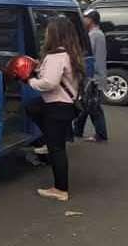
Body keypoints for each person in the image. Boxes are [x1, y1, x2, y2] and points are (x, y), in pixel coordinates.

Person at [26, 17, 85, 202]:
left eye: (48, 31)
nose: (45, 34)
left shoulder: (55, 57)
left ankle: (60, 189)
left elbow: (49, 83)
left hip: (57, 107)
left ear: (55, 35)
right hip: (65, 106)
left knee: (57, 150)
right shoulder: (69, 54)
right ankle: (46, 141)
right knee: (32, 107)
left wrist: (30, 81)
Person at [74, 9, 109, 142]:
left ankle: (101, 134)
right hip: (95, 76)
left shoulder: (94, 35)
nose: (82, 20)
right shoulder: (96, 34)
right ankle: (77, 130)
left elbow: (89, 57)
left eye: (85, 18)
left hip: (94, 77)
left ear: (91, 20)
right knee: (85, 105)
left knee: (93, 107)